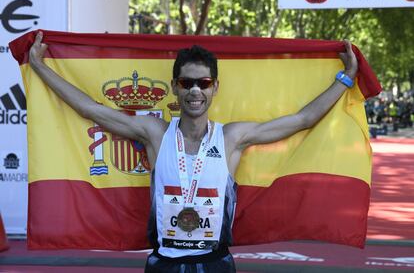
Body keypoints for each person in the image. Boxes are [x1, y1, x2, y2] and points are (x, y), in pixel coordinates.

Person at [29, 31, 358, 273]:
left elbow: (303, 119)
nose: (195, 91)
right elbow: (90, 109)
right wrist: (40, 67)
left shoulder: (232, 138)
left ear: (215, 87)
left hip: (216, 263)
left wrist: (346, 79)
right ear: (175, 87)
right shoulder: (154, 133)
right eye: (187, 83)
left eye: (203, 82)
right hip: (164, 264)